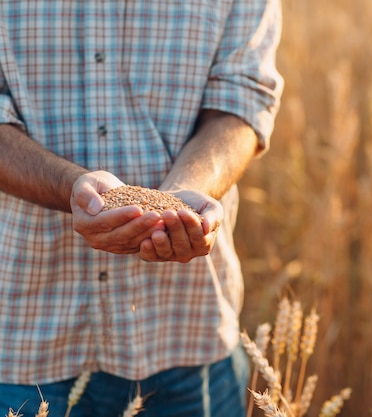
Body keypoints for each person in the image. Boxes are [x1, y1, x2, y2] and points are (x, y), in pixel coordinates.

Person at [0, 1, 283, 416]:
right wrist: (69, 187)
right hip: (23, 337)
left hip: (186, 326)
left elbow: (243, 97)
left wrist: (186, 192)